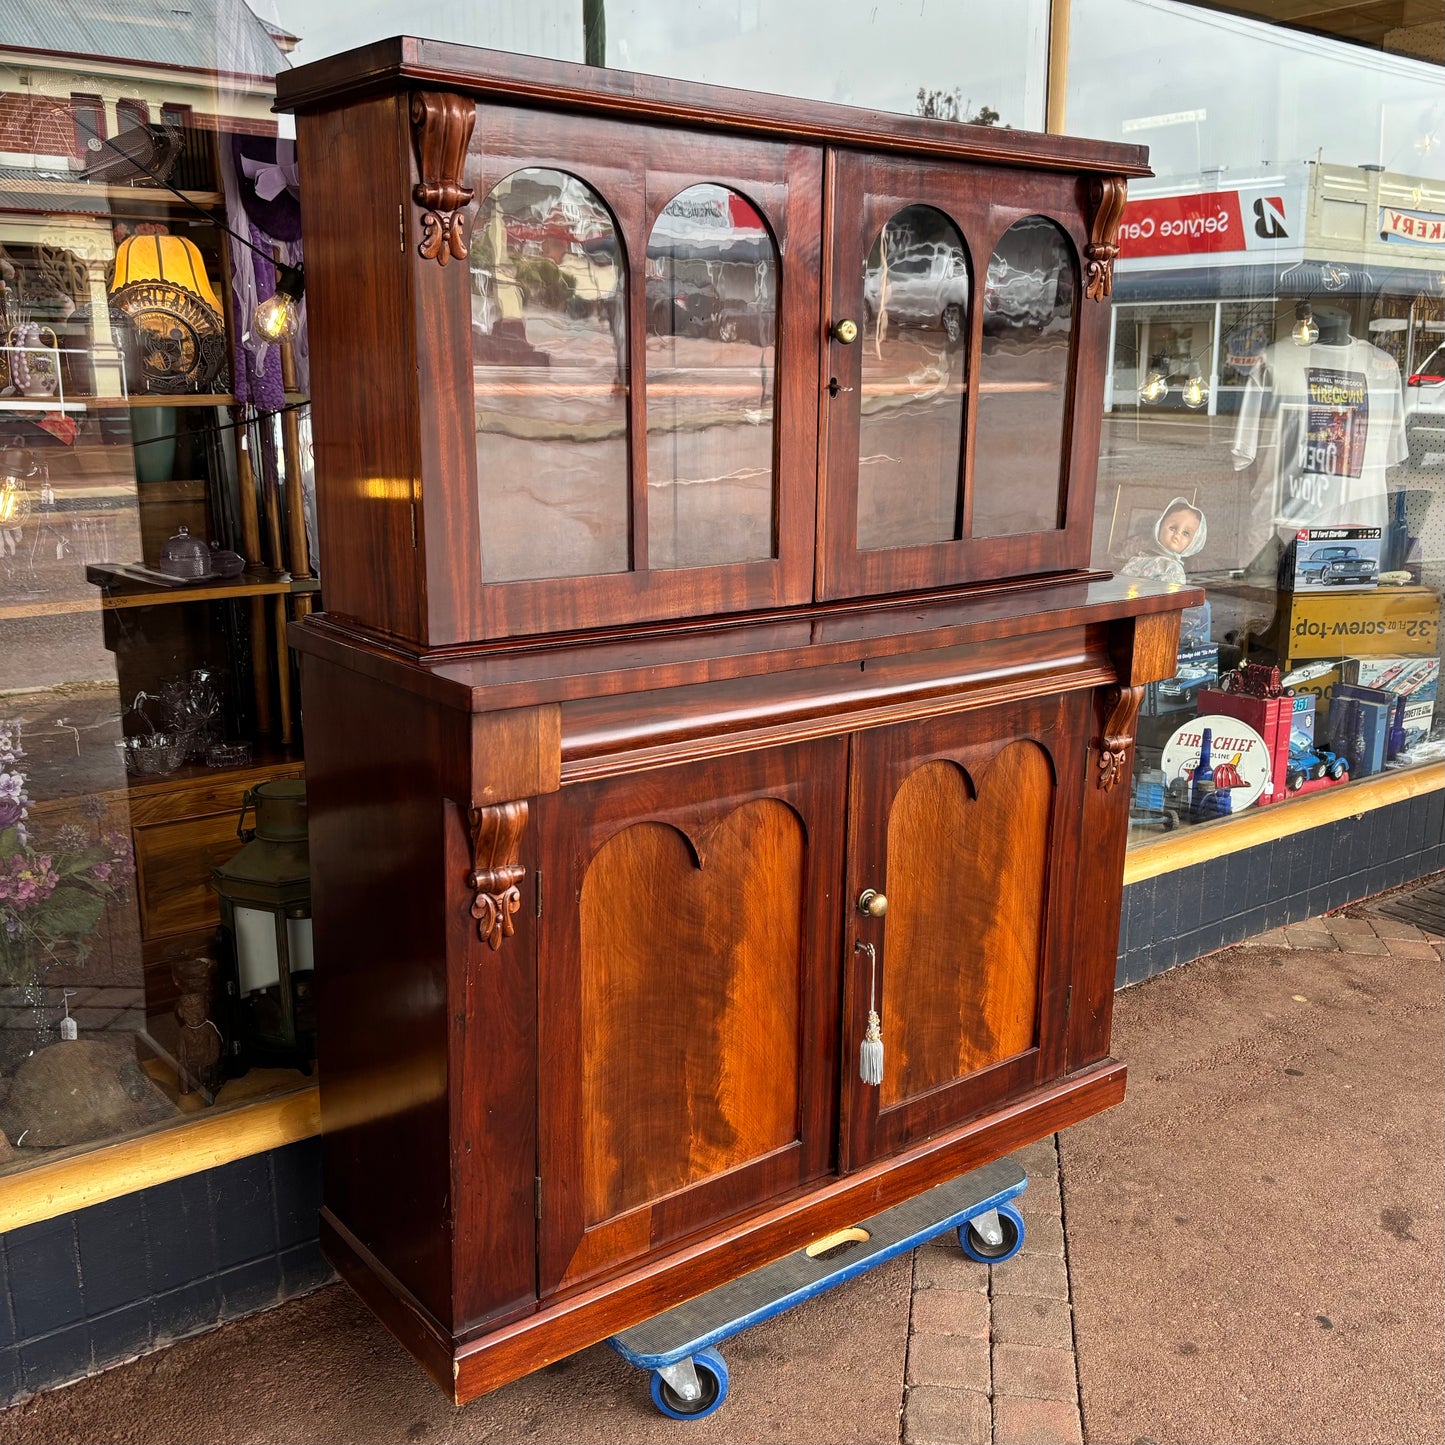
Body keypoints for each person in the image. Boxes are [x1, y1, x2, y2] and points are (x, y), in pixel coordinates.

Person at [1120, 497, 1207, 585]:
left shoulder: (1172, 569)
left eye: (1185, 533)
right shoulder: (1140, 558)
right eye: (1172, 528)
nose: (1177, 534)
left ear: (1193, 543)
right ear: (1159, 527)